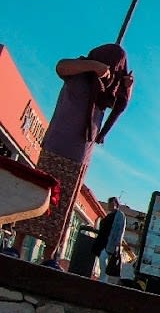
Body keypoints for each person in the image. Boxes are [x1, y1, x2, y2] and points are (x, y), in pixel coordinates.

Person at [14, 44, 133, 261]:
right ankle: (17, 244)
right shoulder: (79, 71)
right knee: (37, 192)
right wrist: (93, 66)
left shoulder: (108, 91)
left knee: (63, 205)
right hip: (56, 143)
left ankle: (50, 255)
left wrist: (127, 88)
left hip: (80, 154)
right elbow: (61, 66)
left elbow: (120, 106)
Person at [93, 196, 126, 284]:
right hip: (103, 241)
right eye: (109, 203)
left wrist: (118, 243)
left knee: (103, 258)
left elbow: (120, 230)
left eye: (112, 203)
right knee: (102, 259)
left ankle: (103, 279)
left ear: (116, 204)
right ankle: (103, 278)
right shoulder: (109, 215)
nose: (110, 205)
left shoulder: (120, 215)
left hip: (111, 242)